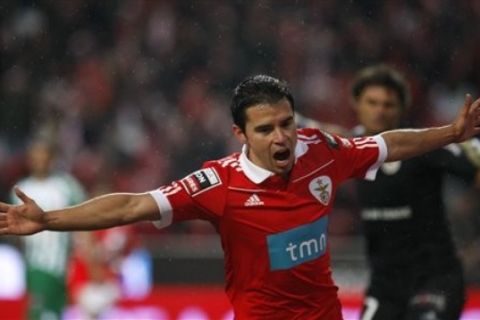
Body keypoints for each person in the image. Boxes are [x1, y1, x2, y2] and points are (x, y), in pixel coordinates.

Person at [1, 74, 479, 320]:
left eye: (287, 123)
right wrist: (50, 220)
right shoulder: (217, 185)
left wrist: (451, 132)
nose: (282, 138)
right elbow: (130, 205)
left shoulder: (322, 150)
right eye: (266, 128)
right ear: (240, 133)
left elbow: (388, 143)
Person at [299, 65, 480, 320]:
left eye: (388, 104)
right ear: (356, 104)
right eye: (372, 102)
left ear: (402, 109)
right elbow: (317, 132)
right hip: (385, 287)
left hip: (435, 280)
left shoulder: (423, 144)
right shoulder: (351, 145)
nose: (380, 111)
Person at [9, 137, 87, 320]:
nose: (39, 161)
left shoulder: (66, 186)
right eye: (35, 157)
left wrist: (84, 254)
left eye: (43, 156)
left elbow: (84, 219)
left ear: (52, 159)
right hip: (34, 263)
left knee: (54, 311)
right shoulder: (22, 189)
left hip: (62, 264)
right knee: (39, 311)